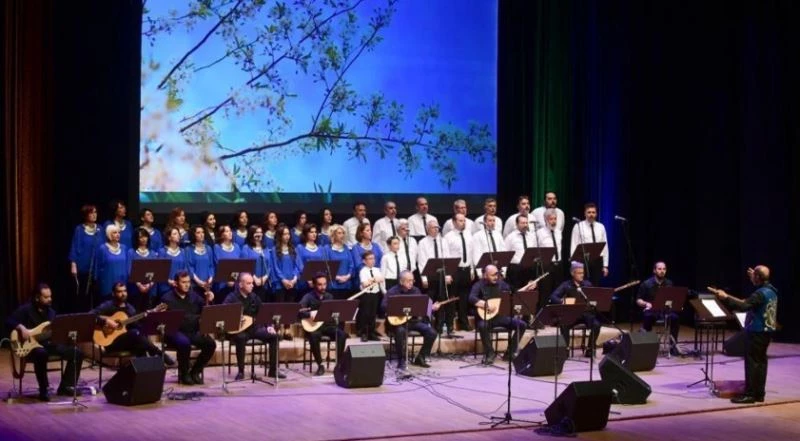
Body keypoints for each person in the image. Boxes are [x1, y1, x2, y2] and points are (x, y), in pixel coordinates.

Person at [712, 266, 778, 404]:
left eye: (754, 275)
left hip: (756, 331)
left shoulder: (759, 294)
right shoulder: (772, 291)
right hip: (767, 332)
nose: (752, 277)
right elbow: (753, 300)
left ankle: (750, 395)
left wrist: (725, 297)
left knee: (752, 363)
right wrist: (753, 276)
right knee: (760, 363)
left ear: (758, 278)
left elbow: (743, 306)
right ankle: (759, 393)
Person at [7, 284, 84, 401]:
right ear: (37, 298)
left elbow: (57, 332)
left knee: (76, 352)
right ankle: (44, 389)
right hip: (31, 347)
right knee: (41, 353)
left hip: (49, 344)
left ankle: (66, 386)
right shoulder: (26, 309)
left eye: (50, 297)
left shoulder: (52, 313)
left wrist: (67, 336)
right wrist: (21, 328)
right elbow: (9, 320)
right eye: (46, 297)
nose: (50, 299)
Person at [91, 282, 175, 365]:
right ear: (113, 293)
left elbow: (136, 325)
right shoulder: (108, 305)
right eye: (119, 291)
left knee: (139, 335)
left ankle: (144, 371)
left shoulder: (130, 308)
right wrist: (106, 321)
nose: (123, 294)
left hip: (127, 342)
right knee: (135, 334)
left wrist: (147, 317)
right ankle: (159, 354)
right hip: (110, 343)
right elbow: (90, 315)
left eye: (124, 291)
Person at [223, 273, 285, 380]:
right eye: (249, 283)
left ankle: (273, 370)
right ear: (240, 284)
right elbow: (224, 313)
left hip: (254, 329)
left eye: (252, 283)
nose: (252, 285)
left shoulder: (254, 297)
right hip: (239, 330)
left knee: (274, 337)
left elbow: (264, 313)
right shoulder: (231, 298)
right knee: (240, 338)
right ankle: (241, 371)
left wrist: (269, 325)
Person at [160, 271, 216, 385]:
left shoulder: (194, 296)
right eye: (183, 282)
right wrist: (195, 319)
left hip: (192, 331)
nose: (187, 285)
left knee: (210, 344)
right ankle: (184, 374)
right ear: (175, 283)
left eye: (189, 282)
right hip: (175, 332)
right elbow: (167, 320)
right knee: (184, 343)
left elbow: (206, 310)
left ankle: (195, 371)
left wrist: (210, 299)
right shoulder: (167, 298)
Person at [469, 265, 528, 364]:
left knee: (522, 325)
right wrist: (486, 305)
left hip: (501, 317)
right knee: (482, 326)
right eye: (493, 275)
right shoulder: (478, 285)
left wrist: (525, 289)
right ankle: (490, 353)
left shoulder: (501, 284)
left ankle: (510, 353)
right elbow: (471, 298)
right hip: (485, 318)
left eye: (497, 274)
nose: (496, 277)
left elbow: (514, 294)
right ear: (485, 275)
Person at [382, 271, 437, 369]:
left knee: (431, 332)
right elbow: (383, 306)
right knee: (400, 332)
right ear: (401, 281)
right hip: (397, 323)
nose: (411, 283)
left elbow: (422, 306)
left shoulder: (416, 291)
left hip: (413, 321)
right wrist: (397, 308)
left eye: (412, 280)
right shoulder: (393, 291)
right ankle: (401, 360)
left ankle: (420, 357)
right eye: (409, 281)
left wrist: (430, 308)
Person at [299, 273, 348, 376]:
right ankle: (320, 365)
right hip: (314, 327)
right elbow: (299, 311)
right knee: (313, 336)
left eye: (325, 284)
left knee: (342, 334)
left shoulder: (329, 296)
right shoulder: (308, 297)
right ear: (314, 285)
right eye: (320, 284)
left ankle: (338, 364)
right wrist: (309, 313)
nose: (323, 287)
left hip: (327, 325)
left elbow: (333, 311)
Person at [550, 262, 601, 358]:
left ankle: (590, 349)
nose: (582, 275)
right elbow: (553, 297)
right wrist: (563, 301)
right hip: (572, 314)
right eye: (579, 273)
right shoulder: (566, 285)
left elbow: (594, 298)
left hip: (586, 314)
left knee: (596, 325)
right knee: (563, 324)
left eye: (583, 273)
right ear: (573, 273)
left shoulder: (587, 284)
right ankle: (565, 349)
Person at [417, 220, 454, 335]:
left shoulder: (443, 241)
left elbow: (447, 259)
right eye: (433, 227)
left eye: (437, 227)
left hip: (441, 275)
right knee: (429, 301)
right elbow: (421, 261)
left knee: (441, 300)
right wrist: (424, 278)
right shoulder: (423, 242)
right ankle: (426, 323)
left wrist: (448, 275)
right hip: (430, 274)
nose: (436, 229)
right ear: (428, 229)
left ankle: (440, 325)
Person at [637, 261, 679, 354]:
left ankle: (673, 347)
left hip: (664, 310)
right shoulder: (646, 284)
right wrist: (645, 303)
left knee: (675, 318)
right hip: (651, 310)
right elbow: (638, 300)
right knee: (647, 317)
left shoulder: (669, 283)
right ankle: (647, 346)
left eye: (664, 269)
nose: (662, 271)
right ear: (654, 271)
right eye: (659, 269)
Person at [443, 213, 475, 331]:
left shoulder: (468, 235)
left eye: (464, 220)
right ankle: (450, 323)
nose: (463, 223)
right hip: (454, 270)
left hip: (466, 269)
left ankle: (464, 322)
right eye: (460, 221)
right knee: (452, 298)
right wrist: (448, 273)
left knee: (464, 297)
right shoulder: (448, 237)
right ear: (454, 222)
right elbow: (446, 256)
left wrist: (471, 268)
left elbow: (471, 252)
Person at [69, 204, 103, 310]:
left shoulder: (100, 229)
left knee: (97, 295)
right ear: (86, 215)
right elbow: (74, 247)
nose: (94, 215)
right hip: (83, 267)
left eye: (95, 212)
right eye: (91, 212)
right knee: (84, 294)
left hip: (98, 267)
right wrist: (73, 264)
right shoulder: (79, 229)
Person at [570, 202, 609, 286]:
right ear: (585, 213)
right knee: (584, 285)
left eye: (593, 212)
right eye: (589, 212)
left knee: (596, 285)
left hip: (597, 261)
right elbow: (573, 245)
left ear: (596, 214)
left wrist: (605, 265)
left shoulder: (601, 227)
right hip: (584, 260)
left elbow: (605, 247)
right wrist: (574, 264)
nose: (591, 214)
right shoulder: (578, 226)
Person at [535, 208, 564, 311]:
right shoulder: (540, 233)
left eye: (555, 219)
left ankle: (556, 317)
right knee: (545, 291)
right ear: (546, 219)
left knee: (557, 291)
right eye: (551, 219)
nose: (553, 221)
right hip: (546, 264)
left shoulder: (558, 232)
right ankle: (542, 316)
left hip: (558, 264)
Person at [127, 228, 159, 310]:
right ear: (137, 239)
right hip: (135, 289)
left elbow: (156, 271)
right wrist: (139, 285)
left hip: (151, 289)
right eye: (141, 237)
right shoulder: (131, 252)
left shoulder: (153, 254)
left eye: (145, 236)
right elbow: (129, 270)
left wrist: (149, 285)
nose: (144, 239)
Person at [357, 251, 385, 341]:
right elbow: (365, 283)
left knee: (373, 314)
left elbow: (381, 279)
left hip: (375, 294)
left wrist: (375, 280)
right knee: (365, 314)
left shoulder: (377, 270)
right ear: (364, 261)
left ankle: (371, 333)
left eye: (373, 258)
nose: (372, 261)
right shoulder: (363, 271)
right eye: (369, 259)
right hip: (366, 295)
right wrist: (374, 279)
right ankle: (363, 333)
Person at [96, 224, 129, 300]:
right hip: (107, 285)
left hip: (122, 284)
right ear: (109, 234)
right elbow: (98, 268)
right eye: (115, 232)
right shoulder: (103, 249)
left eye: (118, 232)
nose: (118, 234)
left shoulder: (124, 248)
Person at [503, 215, 536, 289]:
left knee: (529, 291)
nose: (525, 225)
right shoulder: (510, 237)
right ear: (517, 224)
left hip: (528, 268)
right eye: (522, 223)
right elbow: (506, 254)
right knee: (517, 291)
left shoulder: (531, 236)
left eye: (526, 223)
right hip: (516, 269)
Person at [240, 225, 271, 301]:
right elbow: (245, 265)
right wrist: (254, 278)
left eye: (261, 232)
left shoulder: (265, 248)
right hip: (251, 283)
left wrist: (264, 278)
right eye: (257, 232)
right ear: (251, 234)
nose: (259, 234)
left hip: (264, 283)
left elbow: (270, 265)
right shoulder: (246, 248)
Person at [471, 213, 507, 279]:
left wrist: (504, 270)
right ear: (485, 222)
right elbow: (476, 254)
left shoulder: (498, 234)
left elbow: (503, 251)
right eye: (490, 221)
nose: (492, 223)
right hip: (485, 269)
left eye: (494, 221)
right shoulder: (477, 236)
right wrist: (479, 273)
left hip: (498, 267)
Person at [158, 226, 188, 299]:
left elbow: (185, 268)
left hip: (180, 287)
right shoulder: (162, 251)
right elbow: (160, 270)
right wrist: (169, 281)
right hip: (165, 287)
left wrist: (180, 282)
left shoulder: (182, 251)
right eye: (175, 234)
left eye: (178, 234)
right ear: (169, 237)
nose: (178, 235)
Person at [271, 225, 300, 303]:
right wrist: (283, 280)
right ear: (280, 236)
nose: (287, 236)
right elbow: (275, 267)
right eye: (284, 234)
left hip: (292, 283)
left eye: (288, 234)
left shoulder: (294, 249)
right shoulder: (274, 250)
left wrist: (294, 278)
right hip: (280, 284)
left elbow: (297, 265)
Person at [213, 224, 242, 301]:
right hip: (222, 284)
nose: (230, 233)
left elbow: (239, 265)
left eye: (230, 231)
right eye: (226, 231)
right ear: (221, 235)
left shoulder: (237, 247)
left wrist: (232, 278)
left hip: (235, 283)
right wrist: (227, 280)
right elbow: (219, 265)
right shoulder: (217, 247)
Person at [295, 223, 326, 294]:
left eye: (315, 232)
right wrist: (308, 279)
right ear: (306, 234)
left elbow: (323, 265)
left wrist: (319, 281)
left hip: (319, 284)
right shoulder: (300, 248)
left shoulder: (320, 248)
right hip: (305, 283)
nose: (314, 234)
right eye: (311, 232)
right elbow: (299, 265)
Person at [325, 224, 355, 299]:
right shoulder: (327, 249)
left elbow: (351, 265)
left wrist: (347, 276)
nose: (342, 235)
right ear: (333, 235)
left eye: (343, 233)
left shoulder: (346, 248)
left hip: (347, 285)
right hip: (333, 285)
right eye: (339, 233)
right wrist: (337, 277)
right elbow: (326, 266)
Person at [187, 225, 215, 298]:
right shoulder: (188, 249)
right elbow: (190, 268)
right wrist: (199, 282)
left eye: (202, 232)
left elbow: (211, 266)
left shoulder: (208, 248)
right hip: (195, 285)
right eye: (198, 232)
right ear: (193, 235)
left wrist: (210, 278)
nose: (201, 234)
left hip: (208, 284)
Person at [396, 219, 419, 286]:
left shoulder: (413, 240)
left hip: (412, 272)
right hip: (400, 273)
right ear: (397, 230)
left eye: (407, 228)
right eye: (403, 228)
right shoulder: (395, 241)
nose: (406, 230)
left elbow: (416, 256)